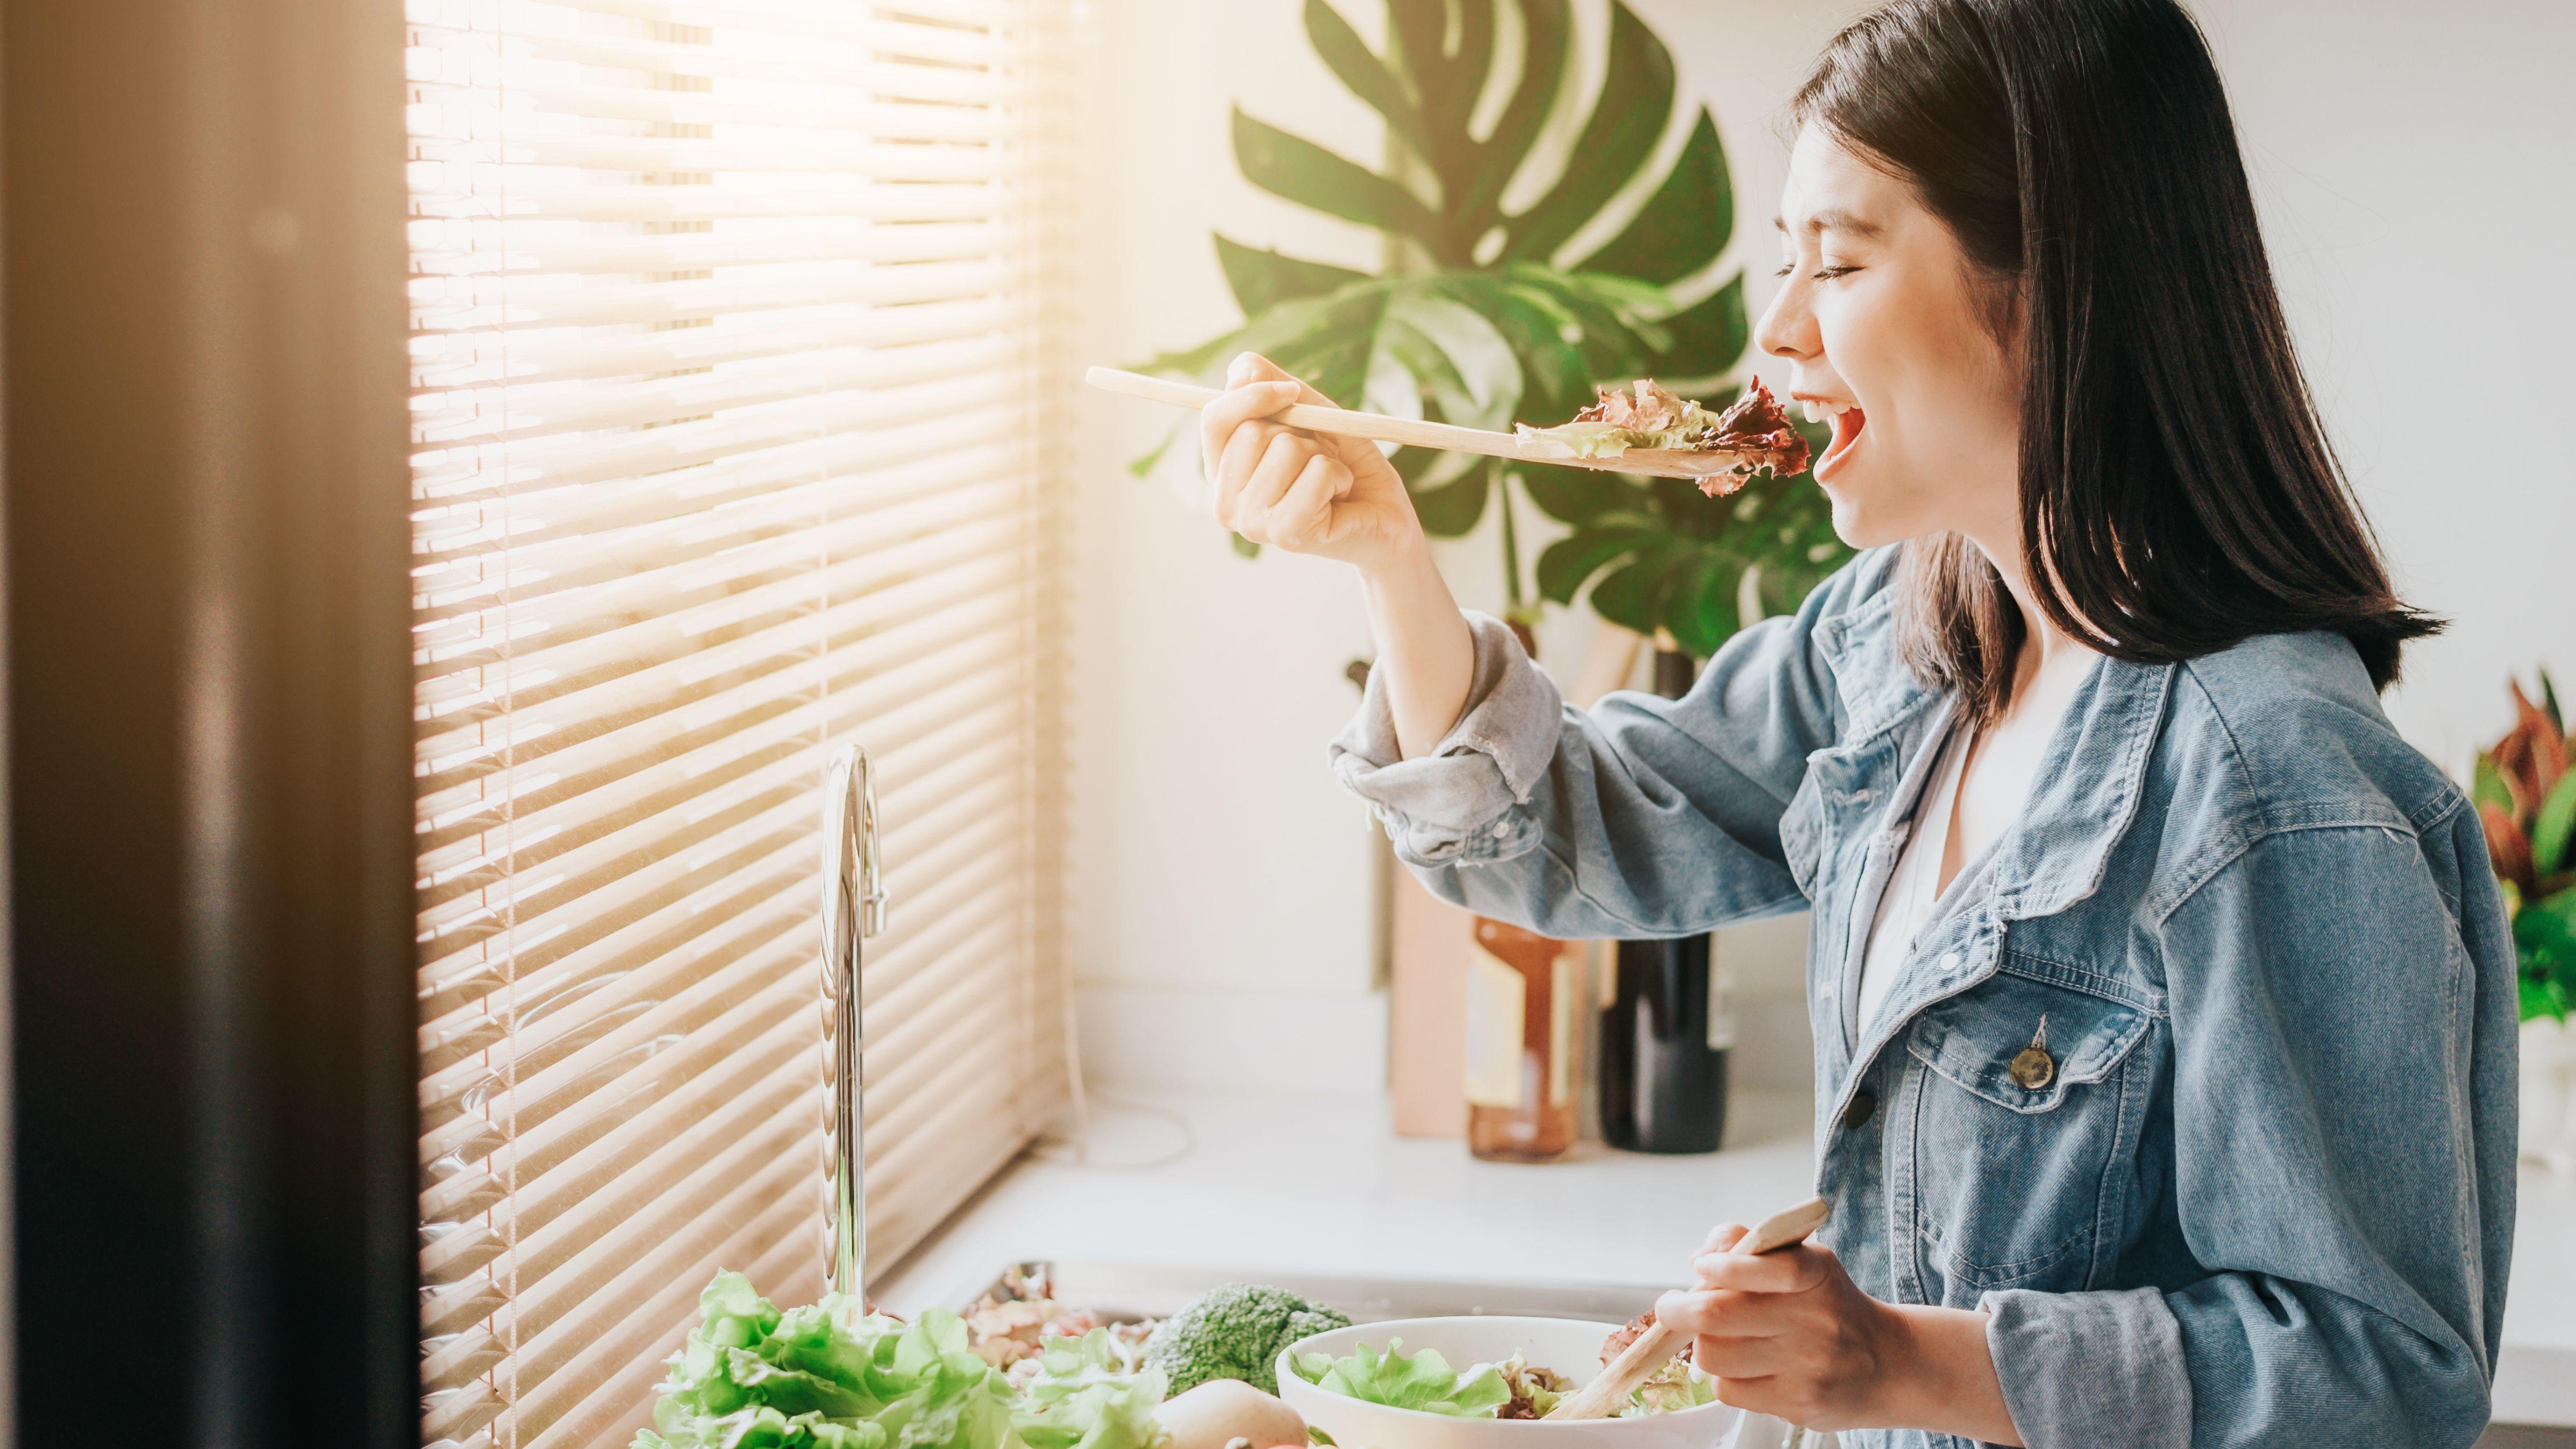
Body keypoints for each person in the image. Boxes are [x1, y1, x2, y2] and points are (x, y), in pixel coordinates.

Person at [1191, 0, 2518, 1444]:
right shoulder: (1905, 640)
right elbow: (1565, 835)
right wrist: (1389, 552)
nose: (1775, 336)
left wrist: (1895, 1358)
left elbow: (2379, 1383)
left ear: (2055, 279)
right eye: (1786, 260)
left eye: (1836, 259)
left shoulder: (2275, 784)